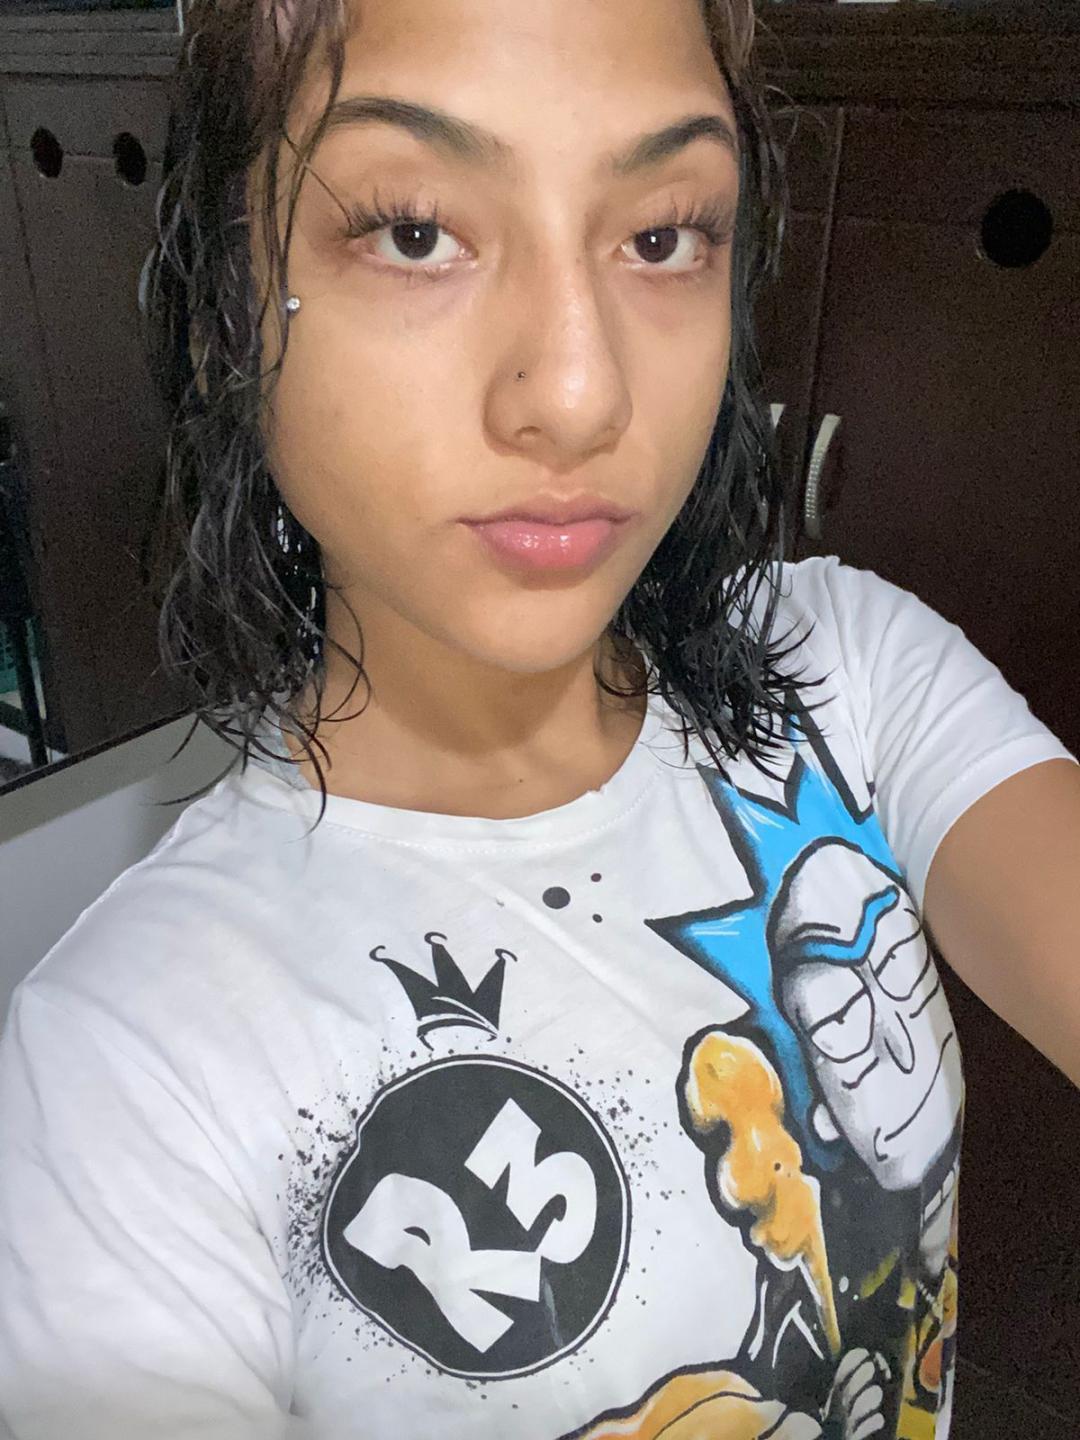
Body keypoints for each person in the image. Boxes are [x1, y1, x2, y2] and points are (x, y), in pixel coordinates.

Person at [0, 0, 1076, 1437]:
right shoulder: (125, 1071)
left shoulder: (846, 672)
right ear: (226, 311)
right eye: (415, 232)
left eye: (662, 236)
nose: (578, 394)